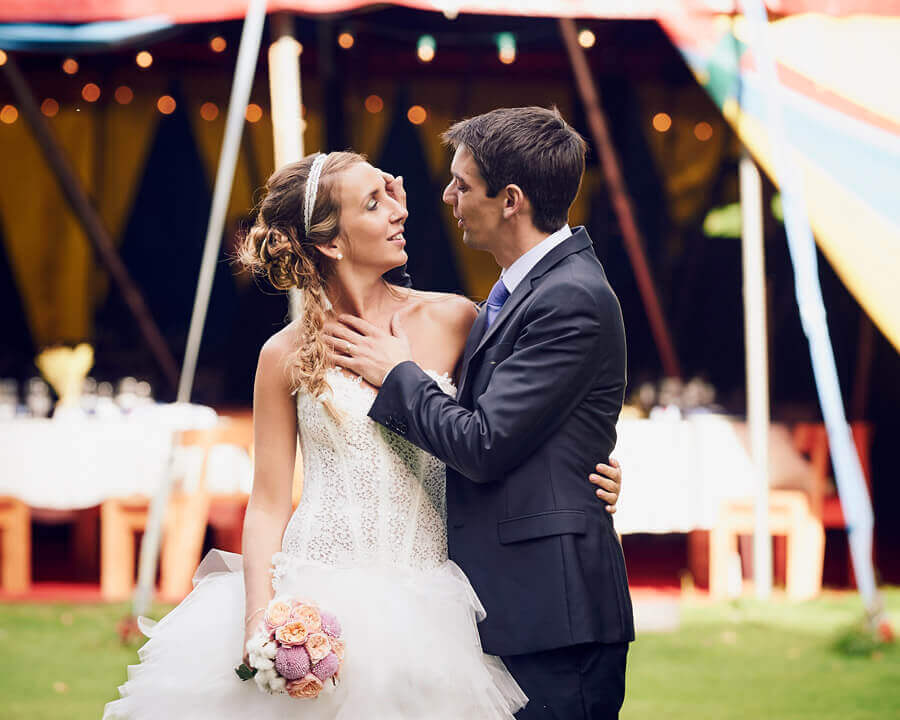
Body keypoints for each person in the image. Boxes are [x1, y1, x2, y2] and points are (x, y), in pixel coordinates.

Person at [103, 148, 623, 719]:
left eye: (390, 194)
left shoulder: (455, 320)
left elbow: (496, 433)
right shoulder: (284, 354)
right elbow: (269, 503)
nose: (400, 212)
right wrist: (261, 618)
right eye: (375, 203)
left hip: (434, 600)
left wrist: (584, 473)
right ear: (330, 242)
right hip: (314, 586)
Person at [328, 107, 633, 719]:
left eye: (462, 184)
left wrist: (397, 374)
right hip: (503, 606)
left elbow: (484, 442)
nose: (447, 197)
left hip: (552, 617)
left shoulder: (569, 297)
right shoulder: (518, 289)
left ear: (511, 199)